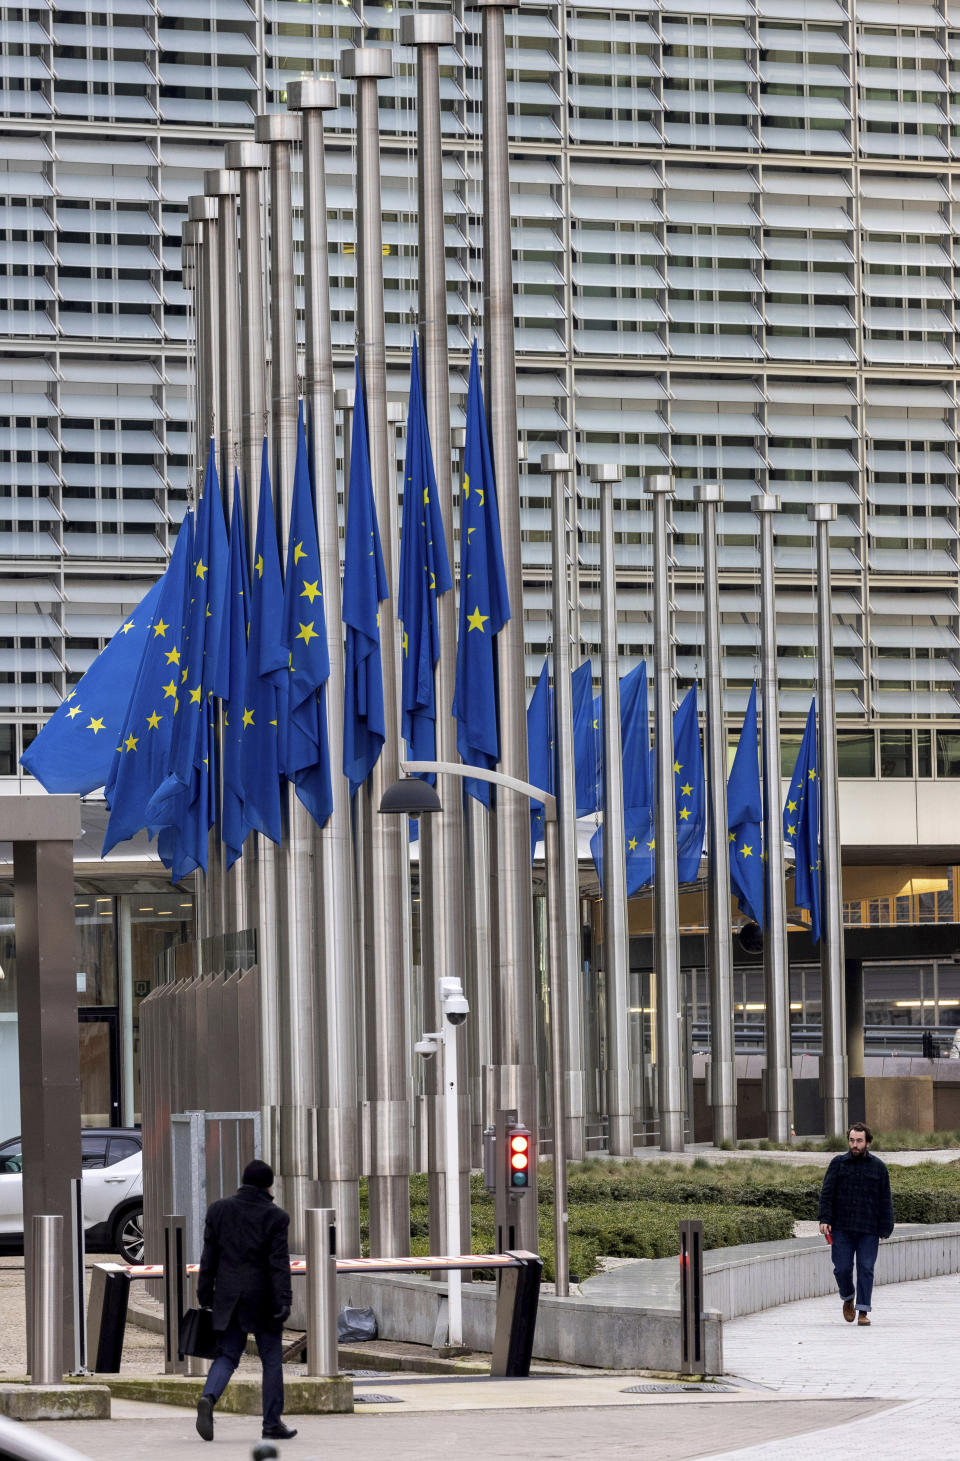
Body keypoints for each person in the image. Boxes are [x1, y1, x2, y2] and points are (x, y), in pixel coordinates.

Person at [194, 1159, 296, 1443]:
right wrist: (284, 1300)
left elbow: (208, 1258)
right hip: (263, 1299)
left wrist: (205, 1295)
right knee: (272, 1360)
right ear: (268, 1185)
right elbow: (279, 1264)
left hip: (228, 1297)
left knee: (227, 1357)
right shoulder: (276, 1217)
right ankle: (272, 1423)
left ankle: (208, 1398)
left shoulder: (219, 1210)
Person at [818, 1122, 894, 1327]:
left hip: (868, 1229)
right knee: (841, 1268)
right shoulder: (838, 1163)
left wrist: (886, 1226)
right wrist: (824, 1219)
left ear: (867, 1143)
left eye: (859, 1141)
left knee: (866, 1268)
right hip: (841, 1228)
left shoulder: (878, 1167)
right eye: (852, 1140)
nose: (855, 1144)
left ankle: (863, 1311)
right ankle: (848, 1296)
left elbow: (885, 1198)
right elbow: (827, 1193)